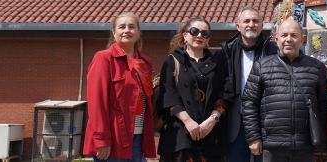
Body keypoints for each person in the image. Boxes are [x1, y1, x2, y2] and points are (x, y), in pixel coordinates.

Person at [241, 19, 327, 162]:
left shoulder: (316, 67)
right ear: (276, 39)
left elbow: (323, 105)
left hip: (305, 146)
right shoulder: (261, 66)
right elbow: (249, 103)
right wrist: (253, 137)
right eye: (284, 35)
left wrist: (321, 137)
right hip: (272, 146)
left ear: (302, 39)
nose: (288, 39)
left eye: (294, 35)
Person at [84, 12, 157, 162]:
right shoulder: (104, 58)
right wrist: (101, 139)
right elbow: (97, 102)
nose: (127, 30)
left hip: (139, 137)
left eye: (131, 27)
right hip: (114, 139)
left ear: (138, 32)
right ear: (114, 32)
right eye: (122, 27)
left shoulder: (145, 62)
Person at [158, 17, 226, 162]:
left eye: (205, 33)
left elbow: (224, 94)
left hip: (210, 134)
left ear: (208, 39)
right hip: (180, 136)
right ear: (185, 35)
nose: (199, 36)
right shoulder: (172, 61)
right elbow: (168, 95)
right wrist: (188, 121)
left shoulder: (216, 63)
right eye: (194, 31)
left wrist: (212, 120)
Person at [214, 7, 277, 162]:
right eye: (246, 21)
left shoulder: (274, 51)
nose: (251, 24)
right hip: (235, 120)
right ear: (238, 26)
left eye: (255, 21)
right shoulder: (225, 51)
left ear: (262, 26)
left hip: (265, 120)